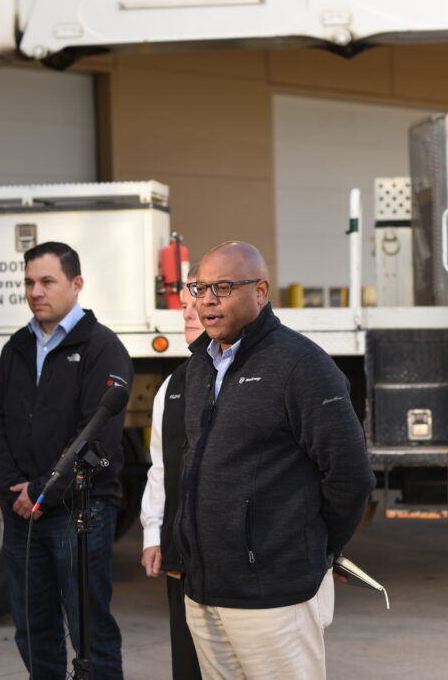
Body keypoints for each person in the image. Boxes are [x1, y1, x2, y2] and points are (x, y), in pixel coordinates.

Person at [176, 241, 376, 679]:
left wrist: (315, 550)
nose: (207, 299)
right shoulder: (199, 366)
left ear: (261, 291)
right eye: (200, 287)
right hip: (206, 591)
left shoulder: (301, 365)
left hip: (274, 596)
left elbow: (350, 475)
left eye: (223, 287)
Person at [0, 241, 133, 680]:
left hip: (79, 511)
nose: (35, 291)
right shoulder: (17, 347)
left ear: (76, 284)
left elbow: (97, 436)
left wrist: (44, 490)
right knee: (32, 627)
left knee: (89, 629)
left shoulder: (102, 348)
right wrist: (17, 484)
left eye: (47, 281)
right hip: (23, 509)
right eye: (29, 282)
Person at [140, 268, 204, 679]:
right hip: (184, 560)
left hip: (243, 567)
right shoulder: (172, 386)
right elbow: (160, 467)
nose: (188, 315)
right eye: (184, 306)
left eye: (197, 304)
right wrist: (153, 534)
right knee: (188, 664)